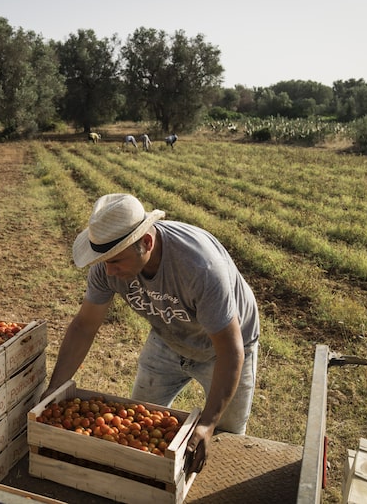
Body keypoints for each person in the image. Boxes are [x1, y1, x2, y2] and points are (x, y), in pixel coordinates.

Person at [44, 193, 260, 475]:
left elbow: (230, 351)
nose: (108, 271)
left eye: (116, 261)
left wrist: (207, 424)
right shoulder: (106, 265)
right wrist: (54, 389)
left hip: (222, 347)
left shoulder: (199, 268)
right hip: (168, 337)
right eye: (104, 261)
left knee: (224, 436)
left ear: (146, 243)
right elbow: (84, 326)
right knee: (141, 420)